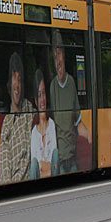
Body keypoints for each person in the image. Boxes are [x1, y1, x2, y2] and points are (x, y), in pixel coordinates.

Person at [48, 30, 89, 173]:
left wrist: (91, 137)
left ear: (64, 55)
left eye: (58, 54)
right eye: (54, 57)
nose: (57, 60)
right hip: (59, 160)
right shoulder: (52, 86)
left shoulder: (71, 82)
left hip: (72, 159)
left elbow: (78, 122)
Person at [0, 52, 34, 184]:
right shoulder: (7, 123)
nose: (17, 85)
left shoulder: (31, 112)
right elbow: (5, 163)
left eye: (19, 79)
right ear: (9, 84)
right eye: (14, 78)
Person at [30, 69, 59, 179]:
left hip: (51, 172)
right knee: (33, 163)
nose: (42, 99)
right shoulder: (34, 132)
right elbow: (35, 163)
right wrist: (44, 168)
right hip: (39, 174)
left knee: (55, 153)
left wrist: (45, 168)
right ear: (36, 102)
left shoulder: (52, 125)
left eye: (44, 94)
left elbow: (53, 158)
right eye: (39, 95)